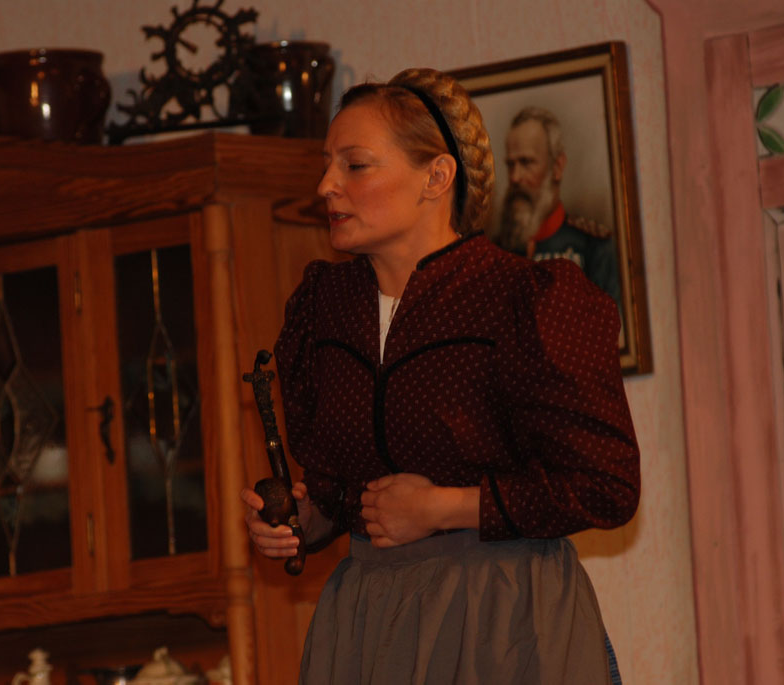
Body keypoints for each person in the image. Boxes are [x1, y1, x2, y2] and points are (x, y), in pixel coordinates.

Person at [240, 67, 639, 685]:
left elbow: (604, 484)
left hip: (504, 617)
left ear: (437, 176)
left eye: (355, 165)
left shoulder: (520, 296)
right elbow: (341, 495)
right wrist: (303, 520)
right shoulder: (324, 307)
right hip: (370, 624)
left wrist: (442, 507)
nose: (326, 186)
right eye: (327, 165)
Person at [491, 106, 622, 306]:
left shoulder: (593, 246)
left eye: (526, 163)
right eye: (510, 165)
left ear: (557, 167)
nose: (515, 177)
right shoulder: (497, 252)